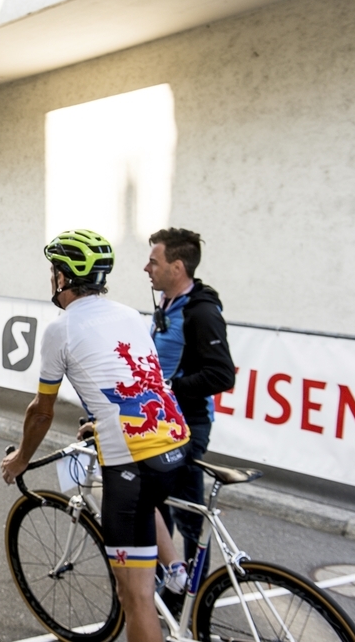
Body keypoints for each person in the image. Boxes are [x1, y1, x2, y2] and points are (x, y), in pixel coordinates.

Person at [1, 229, 189, 642]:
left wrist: (21, 460)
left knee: (134, 597)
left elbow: (41, 412)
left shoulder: (61, 329)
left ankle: (165, 592)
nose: (52, 278)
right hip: (174, 443)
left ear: (64, 277)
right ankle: (176, 574)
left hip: (133, 461)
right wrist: (98, 423)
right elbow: (138, 383)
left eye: (54, 271)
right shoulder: (128, 314)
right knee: (146, 506)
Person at [145, 228, 235, 572]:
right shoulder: (168, 303)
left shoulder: (201, 312)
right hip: (160, 422)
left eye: (154, 261)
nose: (146, 268)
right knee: (158, 506)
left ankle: (193, 600)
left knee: (188, 514)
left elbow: (222, 375)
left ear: (177, 267)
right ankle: (171, 580)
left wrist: (170, 386)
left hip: (187, 426)